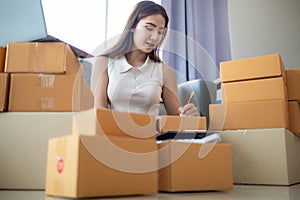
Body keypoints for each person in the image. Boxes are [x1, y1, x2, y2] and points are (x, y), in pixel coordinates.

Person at [91, 0, 199, 117]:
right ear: (133, 26)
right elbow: (99, 113)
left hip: (152, 134)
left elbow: (177, 117)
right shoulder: (104, 62)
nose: (154, 37)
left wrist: (189, 115)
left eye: (160, 32)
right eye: (149, 28)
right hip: (114, 133)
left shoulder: (164, 71)